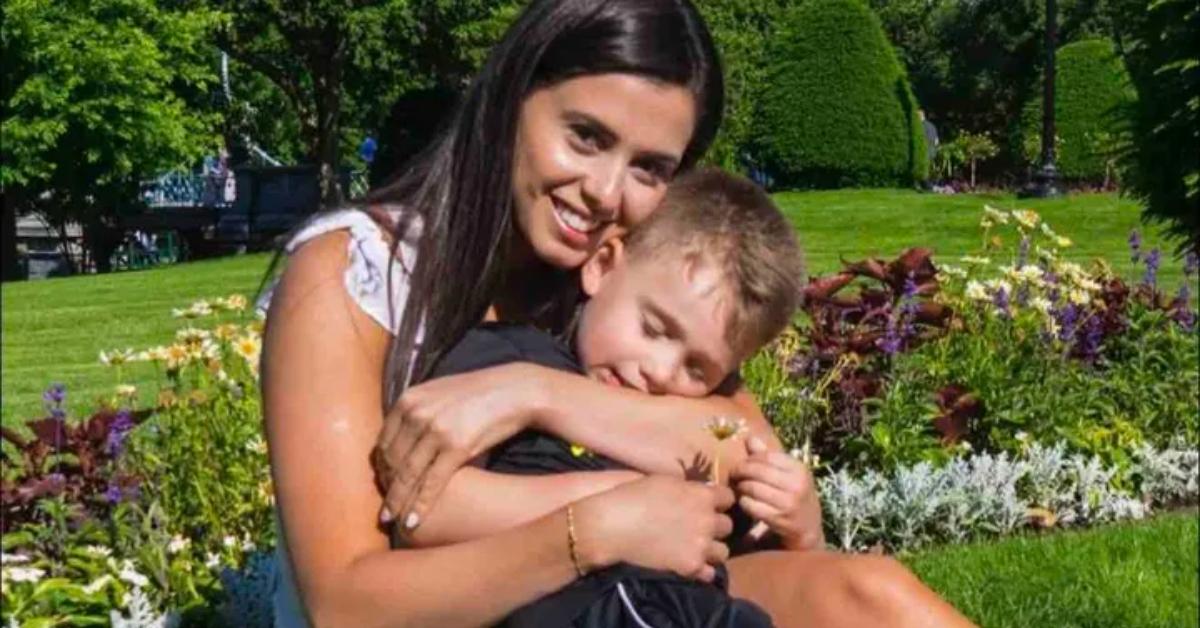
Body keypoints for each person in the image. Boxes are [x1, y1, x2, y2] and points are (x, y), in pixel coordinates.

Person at [262, 1, 976, 626]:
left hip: (623, 599)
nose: (605, 192)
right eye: (586, 137)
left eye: (649, 168)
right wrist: (597, 526)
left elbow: (738, 444)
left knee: (869, 597)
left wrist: (530, 393)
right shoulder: (351, 273)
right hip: (449, 610)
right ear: (511, 97)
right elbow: (346, 604)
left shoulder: (621, 273)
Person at [410, 169, 801, 627]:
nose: (659, 371)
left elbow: (741, 493)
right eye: (653, 328)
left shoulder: (690, 418)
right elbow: (427, 510)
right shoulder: (507, 355)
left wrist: (802, 524)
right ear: (602, 266)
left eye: (697, 368)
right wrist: (615, 508)